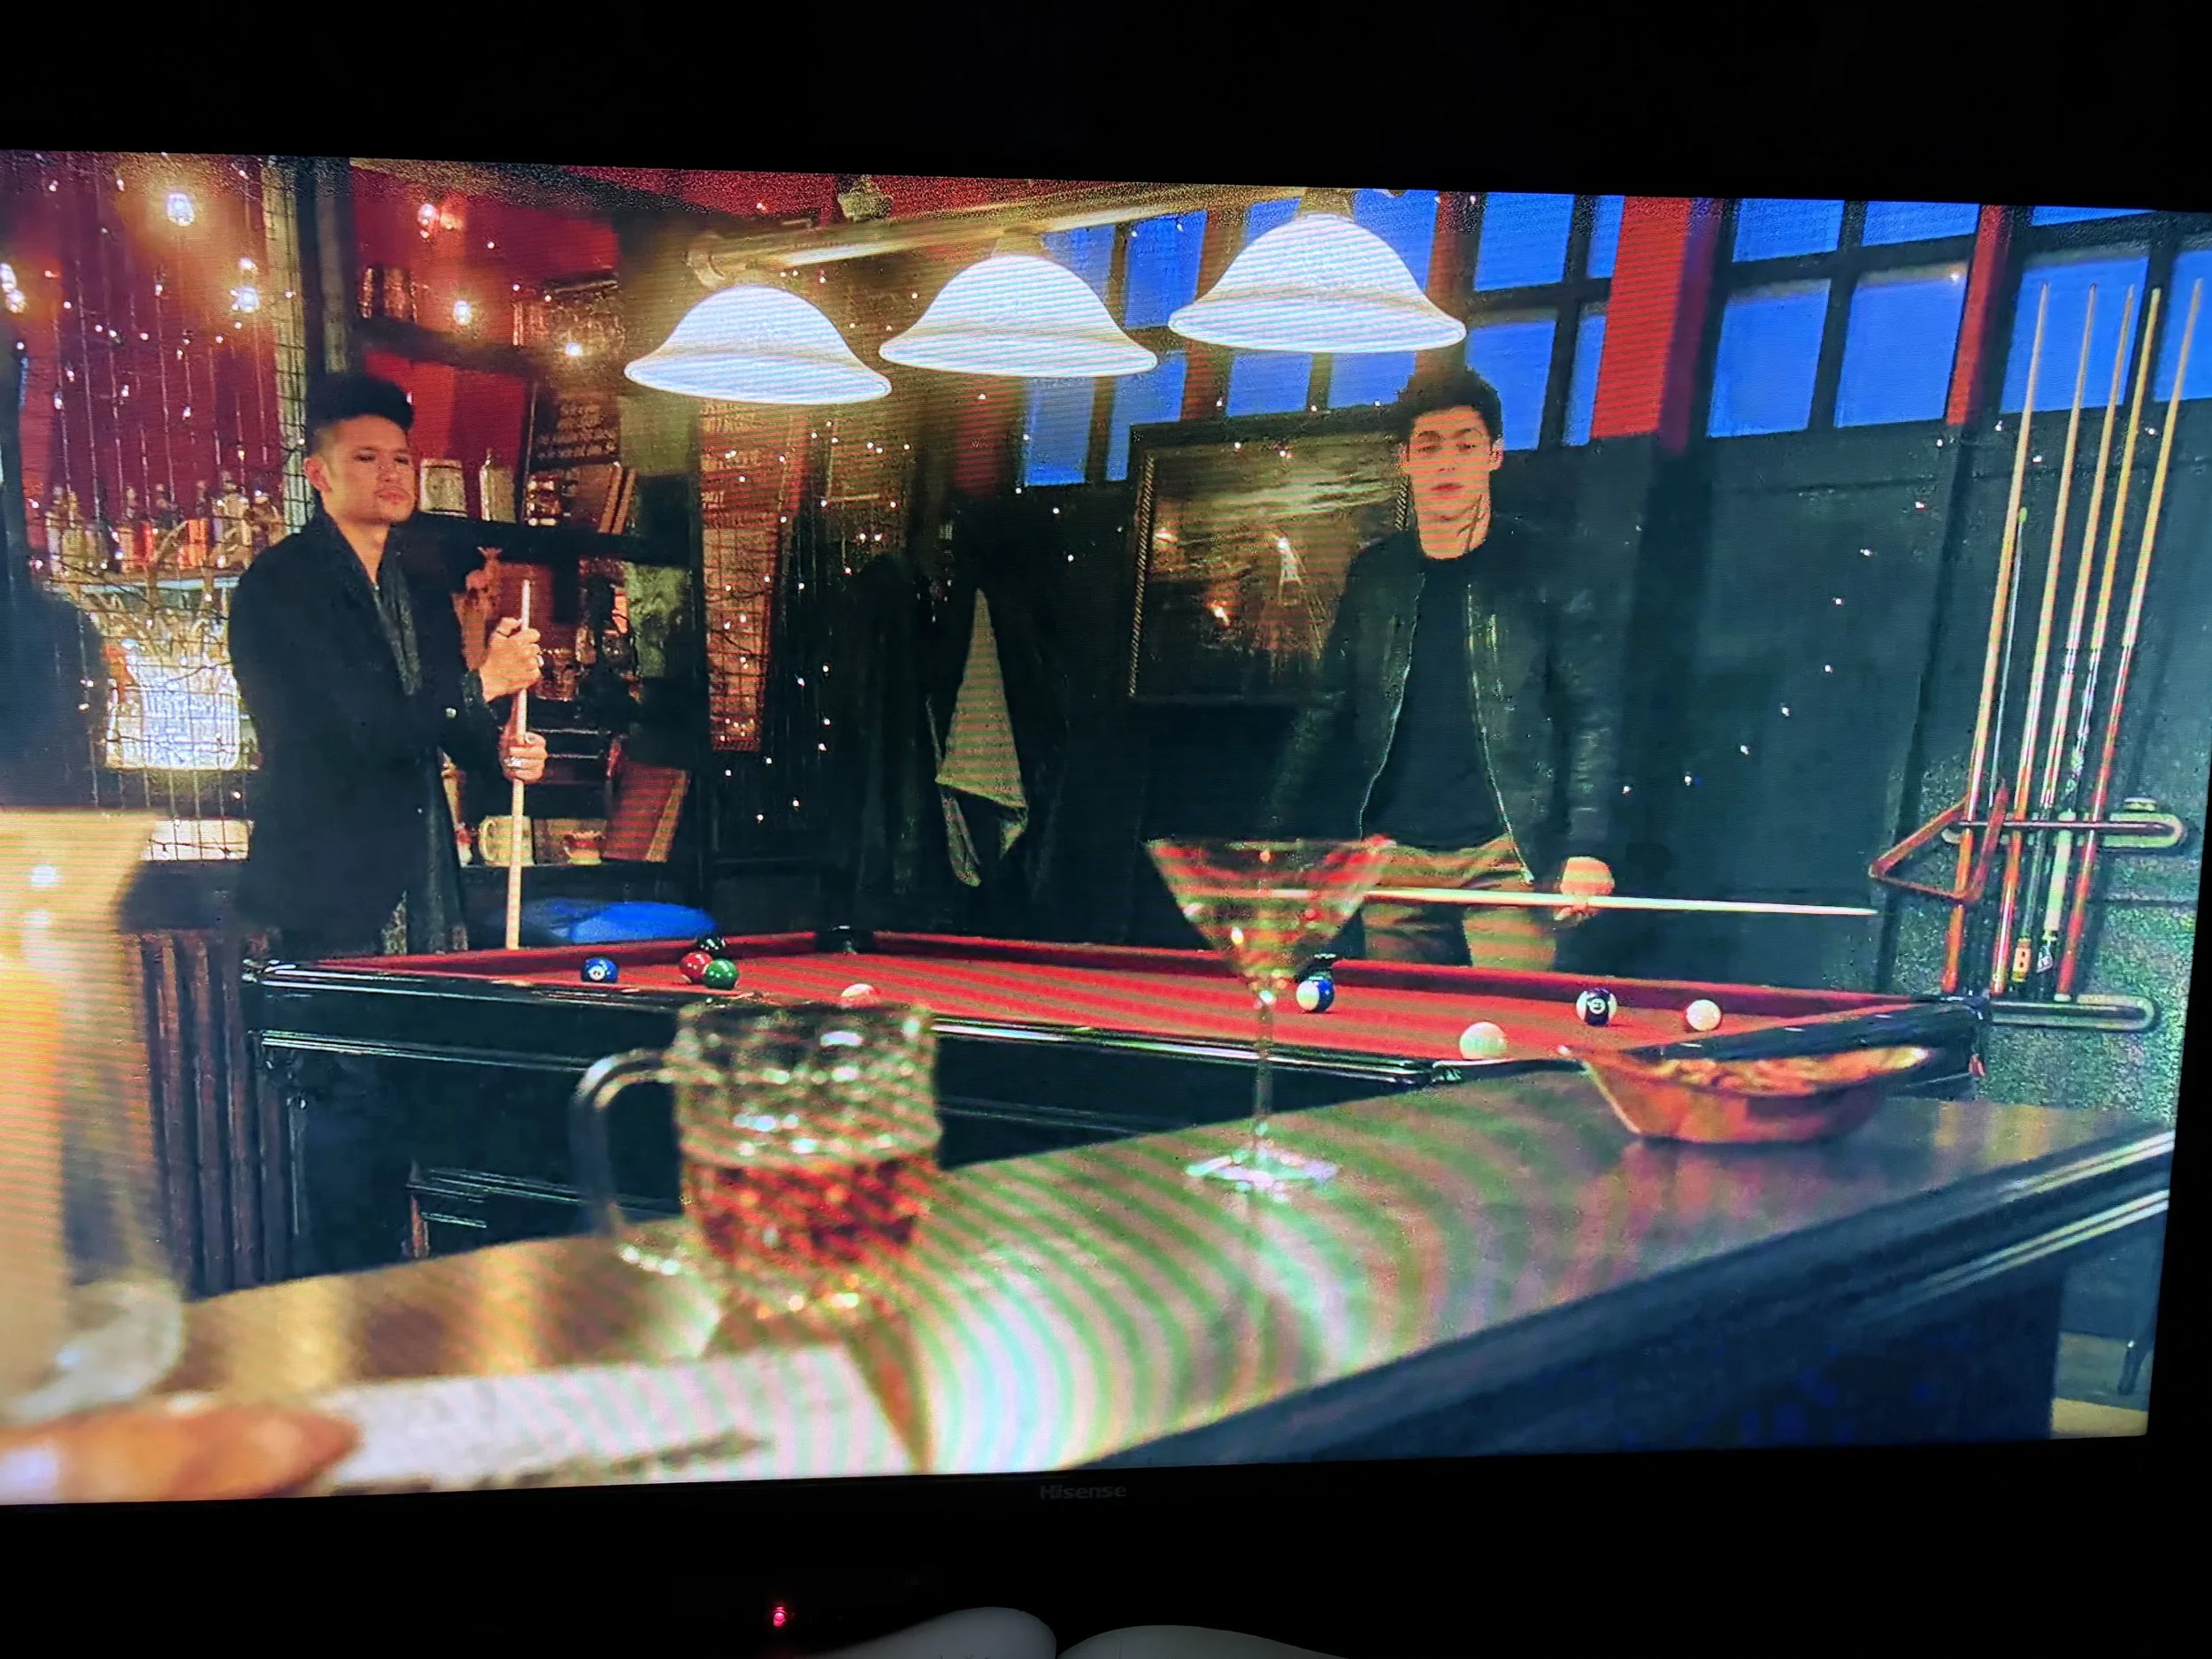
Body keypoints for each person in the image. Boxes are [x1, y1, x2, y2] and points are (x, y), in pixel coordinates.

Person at [227, 371, 546, 1271]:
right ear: (318, 473)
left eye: (400, 458)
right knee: (351, 1125)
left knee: (436, 1113)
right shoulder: (282, 586)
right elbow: (351, 735)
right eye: (365, 458)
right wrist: (477, 687)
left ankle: (429, 1308)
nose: (391, 474)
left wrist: (505, 747)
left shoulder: (414, 585)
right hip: (333, 894)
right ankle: (346, 1310)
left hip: (424, 885)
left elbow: (448, 727)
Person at [1262, 368, 1623, 970]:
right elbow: (1325, 710)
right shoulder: (1377, 574)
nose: (1447, 462)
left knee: (1514, 1023)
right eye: (1428, 447)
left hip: (1507, 854)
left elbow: (1594, 714)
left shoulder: (1547, 566)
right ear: (1405, 460)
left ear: (1494, 455)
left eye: (1465, 444)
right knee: (1397, 1022)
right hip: (1394, 856)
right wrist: (1269, 842)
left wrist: (1587, 845)